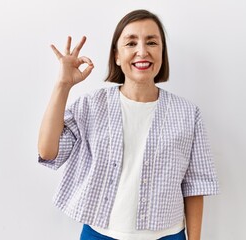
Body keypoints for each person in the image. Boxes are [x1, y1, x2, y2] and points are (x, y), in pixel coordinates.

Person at [38, 9, 219, 240]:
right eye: (131, 43)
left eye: (152, 42)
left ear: (162, 52)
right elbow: (48, 151)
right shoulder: (91, 106)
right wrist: (63, 85)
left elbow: (195, 187)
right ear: (116, 55)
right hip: (99, 234)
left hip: (168, 235)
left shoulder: (188, 114)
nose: (142, 51)